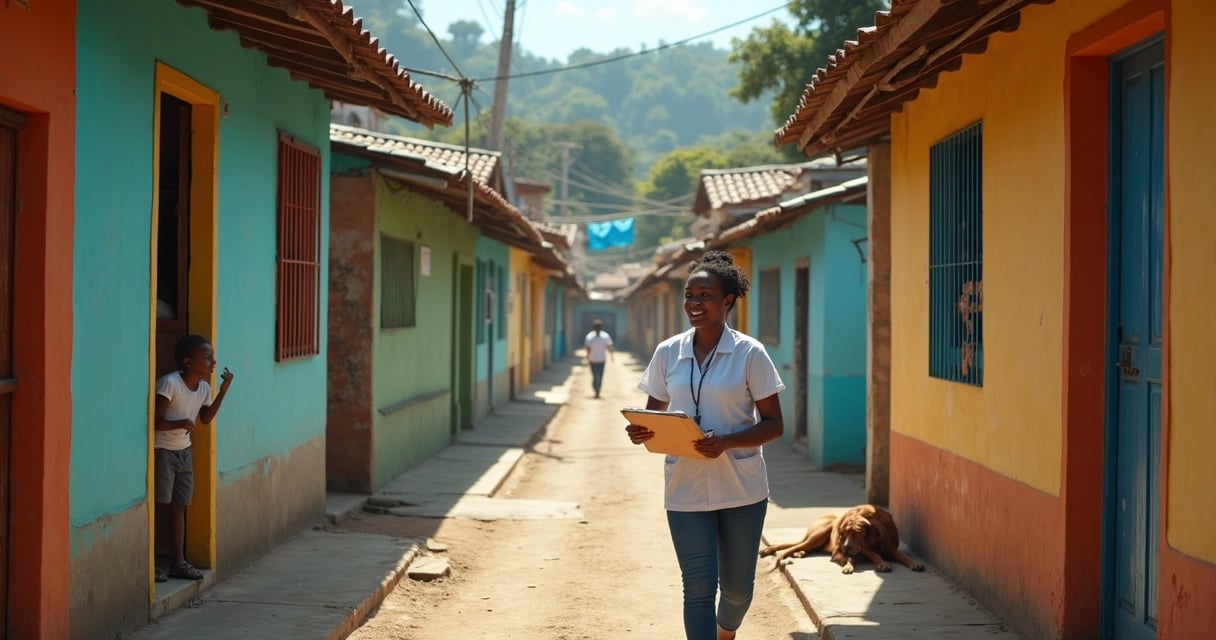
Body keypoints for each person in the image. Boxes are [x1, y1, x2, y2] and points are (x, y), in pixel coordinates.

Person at [625, 250, 785, 640]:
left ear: (727, 300)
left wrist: (727, 442)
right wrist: (642, 430)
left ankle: (725, 633)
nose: (693, 303)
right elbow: (654, 415)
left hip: (741, 488)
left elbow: (774, 424)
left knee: (737, 591)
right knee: (697, 587)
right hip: (685, 488)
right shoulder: (668, 352)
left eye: (704, 296)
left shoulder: (750, 353)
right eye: (689, 295)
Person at [153, 334, 234, 582]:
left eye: (212, 357)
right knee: (159, 506)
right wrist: (180, 423)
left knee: (179, 507)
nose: (213, 362)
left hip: (184, 452)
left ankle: (178, 562)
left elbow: (205, 418)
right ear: (188, 362)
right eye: (207, 357)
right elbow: (156, 422)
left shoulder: (204, 388)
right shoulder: (169, 384)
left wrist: (223, 392)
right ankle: (151, 563)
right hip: (163, 452)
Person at [584, 319, 614, 398]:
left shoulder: (605, 336)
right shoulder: (589, 337)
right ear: (594, 328)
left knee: (600, 375)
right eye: (596, 327)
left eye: (599, 327)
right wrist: (587, 357)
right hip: (593, 360)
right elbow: (588, 348)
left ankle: (598, 390)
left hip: (602, 360)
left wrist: (612, 355)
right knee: (594, 375)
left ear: (601, 328)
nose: (597, 329)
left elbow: (609, 346)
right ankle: (595, 388)